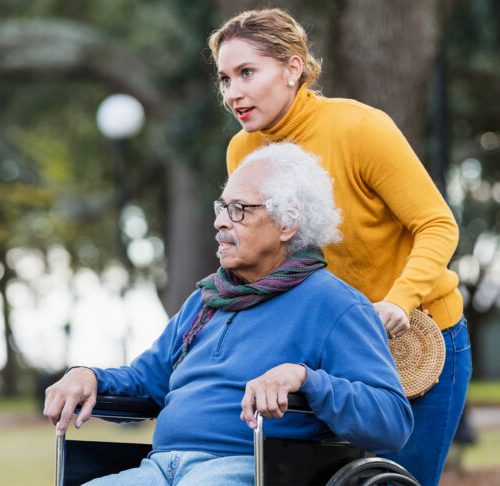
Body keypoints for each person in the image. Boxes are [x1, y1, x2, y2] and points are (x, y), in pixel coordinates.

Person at [44, 143, 412, 486]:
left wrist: (305, 378)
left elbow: (391, 421)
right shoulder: (208, 299)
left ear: (288, 222)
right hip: (158, 468)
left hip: (247, 467)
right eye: (221, 208)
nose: (221, 222)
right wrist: (88, 376)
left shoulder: (335, 304)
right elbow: (147, 382)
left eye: (239, 210)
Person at [208, 8, 472, 486]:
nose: (233, 93)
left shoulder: (360, 129)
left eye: (247, 72)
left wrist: (399, 300)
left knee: (393, 482)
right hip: (329, 352)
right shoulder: (243, 152)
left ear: (293, 69)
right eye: (225, 78)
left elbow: (437, 224)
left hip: (418, 339)